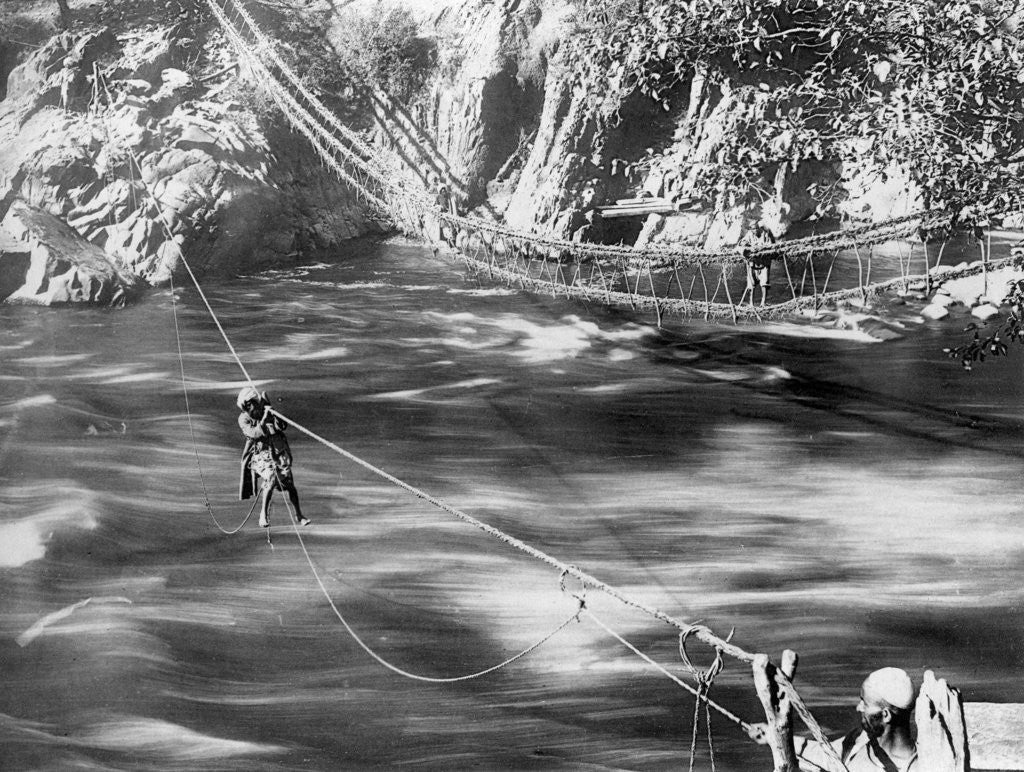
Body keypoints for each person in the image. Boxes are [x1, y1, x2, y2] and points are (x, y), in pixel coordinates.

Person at [790, 668, 918, 771]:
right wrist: (773, 736)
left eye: (865, 703)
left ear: (886, 715)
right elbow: (825, 754)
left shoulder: (922, 766)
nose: (858, 708)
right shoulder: (859, 741)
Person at [237, 387, 310, 529]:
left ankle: (299, 515)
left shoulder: (264, 409)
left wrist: (273, 413)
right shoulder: (243, 418)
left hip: (277, 452)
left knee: (290, 485)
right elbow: (253, 433)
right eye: (247, 407)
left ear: (255, 402)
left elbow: (282, 426)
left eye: (251, 405)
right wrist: (264, 420)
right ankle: (263, 515)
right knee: (270, 478)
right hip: (260, 456)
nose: (250, 409)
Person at [742, 223, 776, 307]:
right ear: (751, 230)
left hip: (764, 262)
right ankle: (751, 303)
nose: (755, 231)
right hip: (753, 263)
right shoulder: (749, 235)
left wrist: (761, 248)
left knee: (764, 283)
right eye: (753, 229)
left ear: (758, 228)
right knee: (751, 283)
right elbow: (743, 243)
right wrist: (747, 246)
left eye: (756, 229)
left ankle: (763, 302)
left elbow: (771, 245)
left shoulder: (765, 234)